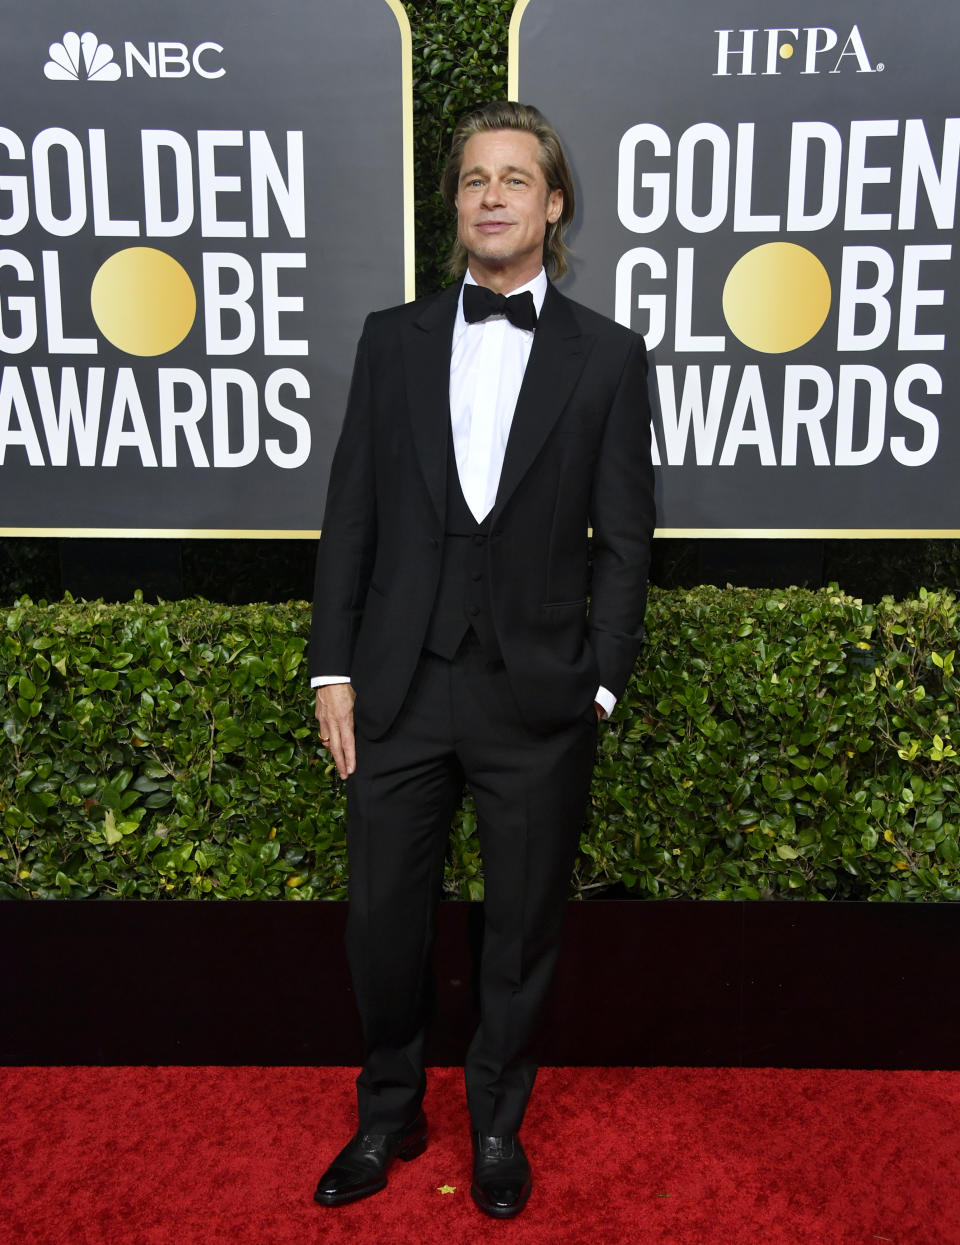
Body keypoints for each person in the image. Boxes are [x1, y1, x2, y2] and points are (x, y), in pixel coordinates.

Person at [309, 100, 655, 1219]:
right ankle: (390, 1112)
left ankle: (497, 1124)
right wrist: (332, 670)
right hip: (399, 686)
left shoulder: (607, 356)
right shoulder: (388, 339)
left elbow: (627, 536)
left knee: (521, 928)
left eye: (516, 178)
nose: (492, 195)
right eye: (473, 179)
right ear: (454, 205)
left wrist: (599, 678)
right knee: (381, 920)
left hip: (536, 696)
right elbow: (350, 518)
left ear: (554, 206)